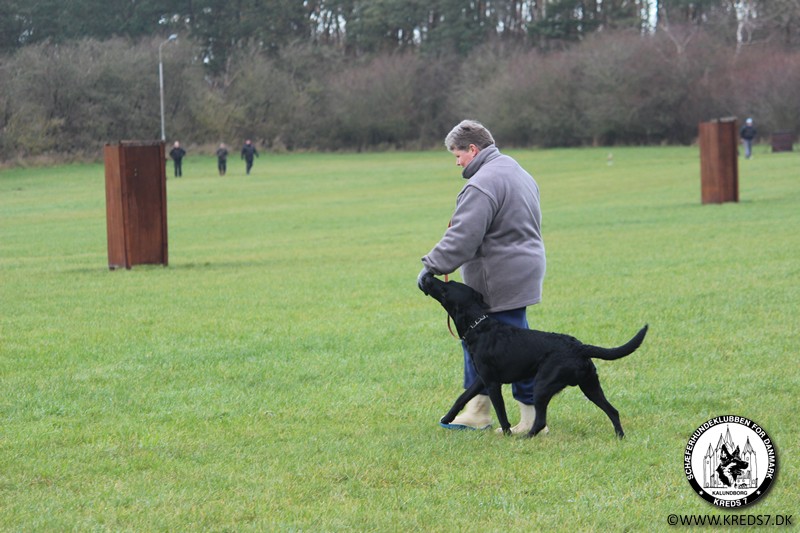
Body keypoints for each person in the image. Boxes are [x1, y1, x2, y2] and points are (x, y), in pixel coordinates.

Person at [418, 119, 546, 434]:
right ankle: (477, 409)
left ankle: (532, 419)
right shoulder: (516, 170)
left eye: (458, 155)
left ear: (473, 149)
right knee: (478, 340)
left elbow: (464, 236)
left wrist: (431, 266)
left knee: (513, 349)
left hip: (498, 275)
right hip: (524, 268)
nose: (457, 162)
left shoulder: (482, 183)